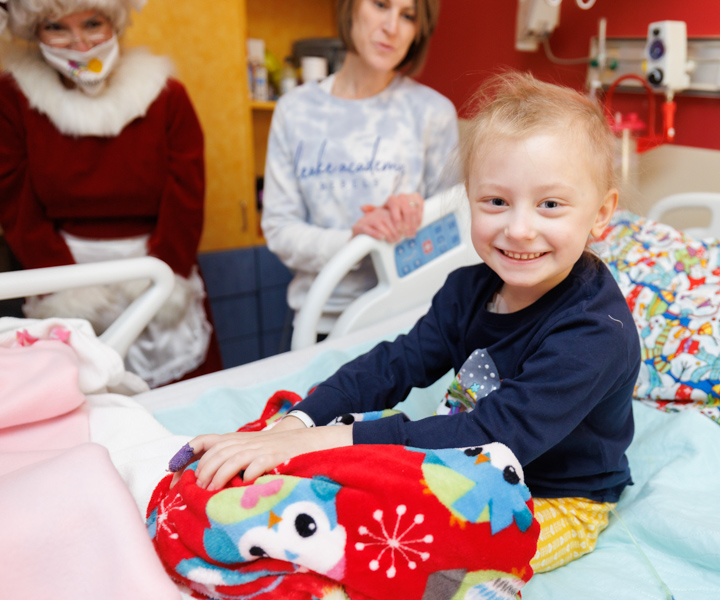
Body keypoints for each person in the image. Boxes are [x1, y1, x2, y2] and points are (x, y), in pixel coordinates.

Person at [179, 71, 641, 573]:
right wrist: (297, 425)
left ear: (600, 214)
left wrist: (318, 444)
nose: (519, 228)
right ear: (469, 196)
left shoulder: (596, 334)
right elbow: (395, 364)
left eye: (550, 204)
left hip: (557, 494)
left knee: (411, 542)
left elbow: (491, 434)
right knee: (331, 452)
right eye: (496, 202)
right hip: (464, 446)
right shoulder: (468, 289)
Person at [0, 0, 222, 387]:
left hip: (160, 264)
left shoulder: (167, 96)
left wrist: (166, 274)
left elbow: (186, 196)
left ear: (114, 22)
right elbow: (15, 202)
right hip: (60, 270)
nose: (80, 44)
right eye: (57, 27)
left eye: (92, 23)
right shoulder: (13, 100)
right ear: (35, 31)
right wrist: (65, 287)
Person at [261, 0, 459, 334]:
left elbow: (455, 235)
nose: (392, 27)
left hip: (407, 323)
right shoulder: (294, 111)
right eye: (381, 4)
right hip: (318, 319)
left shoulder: (433, 113)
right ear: (350, 7)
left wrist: (419, 215)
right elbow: (280, 229)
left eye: (407, 16)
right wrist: (354, 239)